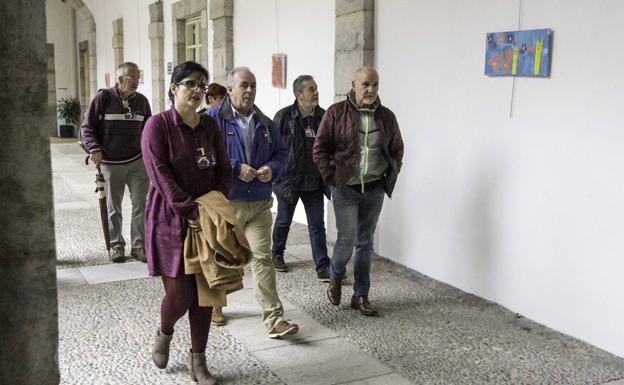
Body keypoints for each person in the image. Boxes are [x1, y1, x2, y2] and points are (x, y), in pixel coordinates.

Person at [142, 61, 232, 385]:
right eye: (190, 84)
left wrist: (214, 203)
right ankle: (164, 332)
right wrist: (191, 209)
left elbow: (224, 168)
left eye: (201, 85)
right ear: (173, 88)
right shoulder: (157, 125)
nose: (196, 90)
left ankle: (199, 361)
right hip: (170, 219)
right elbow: (160, 176)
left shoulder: (210, 127)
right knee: (180, 294)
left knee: (206, 292)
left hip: (206, 217)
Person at [205, 66, 299, 338]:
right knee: (221, 256)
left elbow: (282, 154)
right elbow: (206, 155)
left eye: (253, 86)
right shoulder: (212, 120)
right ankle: (215, 304)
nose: (249, 91)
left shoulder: (265, 123)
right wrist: (236, 168)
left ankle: (275, 319)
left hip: (258, 203)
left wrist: (272, 168)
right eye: (244, 85)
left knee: (262, 258)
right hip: (227, 203)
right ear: (230, 88)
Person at [313, 67, 404, 316]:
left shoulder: (386, 117)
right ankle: (336, 275)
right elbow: (319, 150)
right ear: (354, 84)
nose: (371, 90)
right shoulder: (335, 113)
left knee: (365, 243)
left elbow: (397, 149)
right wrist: (332, 177)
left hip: (374, 188)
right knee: (347, 238)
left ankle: (360, 295)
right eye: (366, 84)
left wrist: (391, 171)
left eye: (375, 85)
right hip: (346, 189)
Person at [81, 62, 152, 263]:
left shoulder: (142, 102)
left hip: (137, 161)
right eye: (133, 77)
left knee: (141, 204)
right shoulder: (102, 99)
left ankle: (138, 246)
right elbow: (87, 128)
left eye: (138, 77)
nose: (137, 81)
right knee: (114, 207)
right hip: (110, 162)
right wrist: (94, 149)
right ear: (120, 80)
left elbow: (149, 131)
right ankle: (116, 245)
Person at [271, 75, 330, 281]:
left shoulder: (324, 116)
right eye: (311, 89)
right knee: (283, 221)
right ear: (298, 94)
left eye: (316, 88)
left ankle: (323, 265)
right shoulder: (284, 116)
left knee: (316, 224)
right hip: (289, 180)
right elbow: (272, 148)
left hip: (314, 181)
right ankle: (277, 254)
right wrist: (274, 173)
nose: (316, 93)